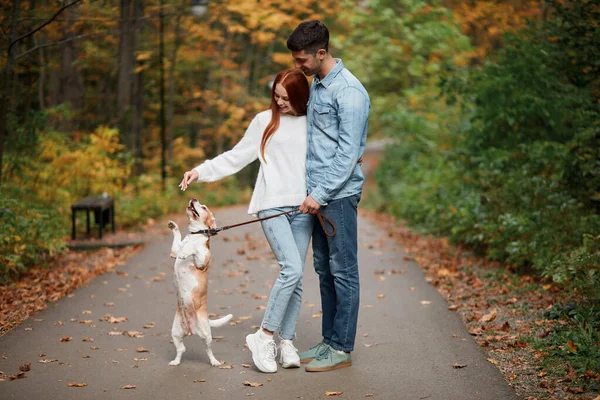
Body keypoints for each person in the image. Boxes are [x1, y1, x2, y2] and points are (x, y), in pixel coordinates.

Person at [178, 68, 313, 374]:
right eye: (276, 96)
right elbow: (236, 156)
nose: (279, 103)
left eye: (286, 98)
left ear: (301, 97)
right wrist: (201, 170)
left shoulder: (312, 122)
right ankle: (263, 336)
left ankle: (287, 341)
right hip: (272, 205)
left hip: (304, 207)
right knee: (291, 268)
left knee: (297, 276)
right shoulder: (263, 121)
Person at [287, 20, 370, 372]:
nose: (297, 67)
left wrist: (318, 194)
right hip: (316, 195)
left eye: (302, 60)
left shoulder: (349, 91)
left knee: (344, 271)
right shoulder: (318, 85)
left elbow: (347, 154)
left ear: (321, 53)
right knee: (324, 269)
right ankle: (327, 341)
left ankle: (341, 347)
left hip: (336, 197)